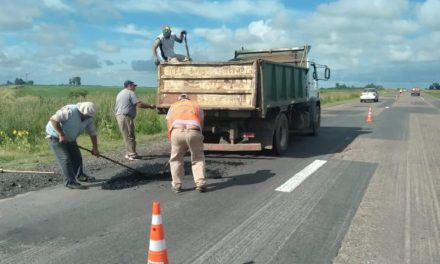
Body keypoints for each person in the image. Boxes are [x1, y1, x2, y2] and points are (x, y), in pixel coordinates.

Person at [46, 102, 99, 190]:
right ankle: (70, 182)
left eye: (89, 116)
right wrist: (61, 135)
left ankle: (80, 175)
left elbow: (92, 133)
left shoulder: (89, 118)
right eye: (86, 115)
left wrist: (95, 148)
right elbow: (53, 120)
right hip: (55, 136)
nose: (87, 118)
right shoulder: (70, 110)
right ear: (82, 111)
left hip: (70, 138)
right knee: (65, 158)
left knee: (77, 157)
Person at [166, 94, 206, 193]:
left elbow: (169, 122)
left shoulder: (174, 105)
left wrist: (171, 136)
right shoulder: (196, 105)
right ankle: (200, 183)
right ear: (188, 99)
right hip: (194, 131)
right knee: (198, 157)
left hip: (177, 131)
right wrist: (198, 135)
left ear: (179, 99)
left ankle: (177, 185)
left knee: (176, 158)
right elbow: (201, 122)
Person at [115, 80, 156, 160]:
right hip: (125, 116)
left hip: (120, 116)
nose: (135, 87)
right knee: (130, 136)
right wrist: (150, 106)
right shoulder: (130, 93)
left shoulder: (121, 92)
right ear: (130, 86)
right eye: (134, 86)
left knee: (126, 135)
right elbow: (139, 104)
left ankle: (129, 153)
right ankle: (132, 155)